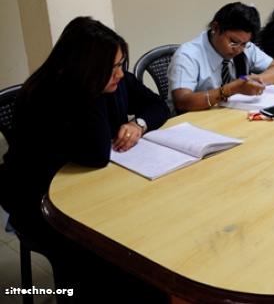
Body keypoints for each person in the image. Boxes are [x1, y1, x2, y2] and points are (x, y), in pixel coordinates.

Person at [0, 16, 170, 302]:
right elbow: (96, 155)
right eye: (112, 67)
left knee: (151, 231)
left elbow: (157, 105)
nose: (120, 74)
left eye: (121, 63)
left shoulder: (112, 80)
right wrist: (94, 93)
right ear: (85, 69)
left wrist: (138, 124)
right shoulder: (48, 97)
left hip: (95, 187)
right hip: (41, 202)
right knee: (106, 259)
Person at [168, 2, 274, 113]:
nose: (238, 49)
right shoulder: (188, 55)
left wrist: (255, 81)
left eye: (244, 44)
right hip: (194, 119)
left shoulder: (244, 46)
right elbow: (182, 101)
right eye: (233, 42)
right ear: (215, 28)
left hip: (229, 114)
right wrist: (231, 89)